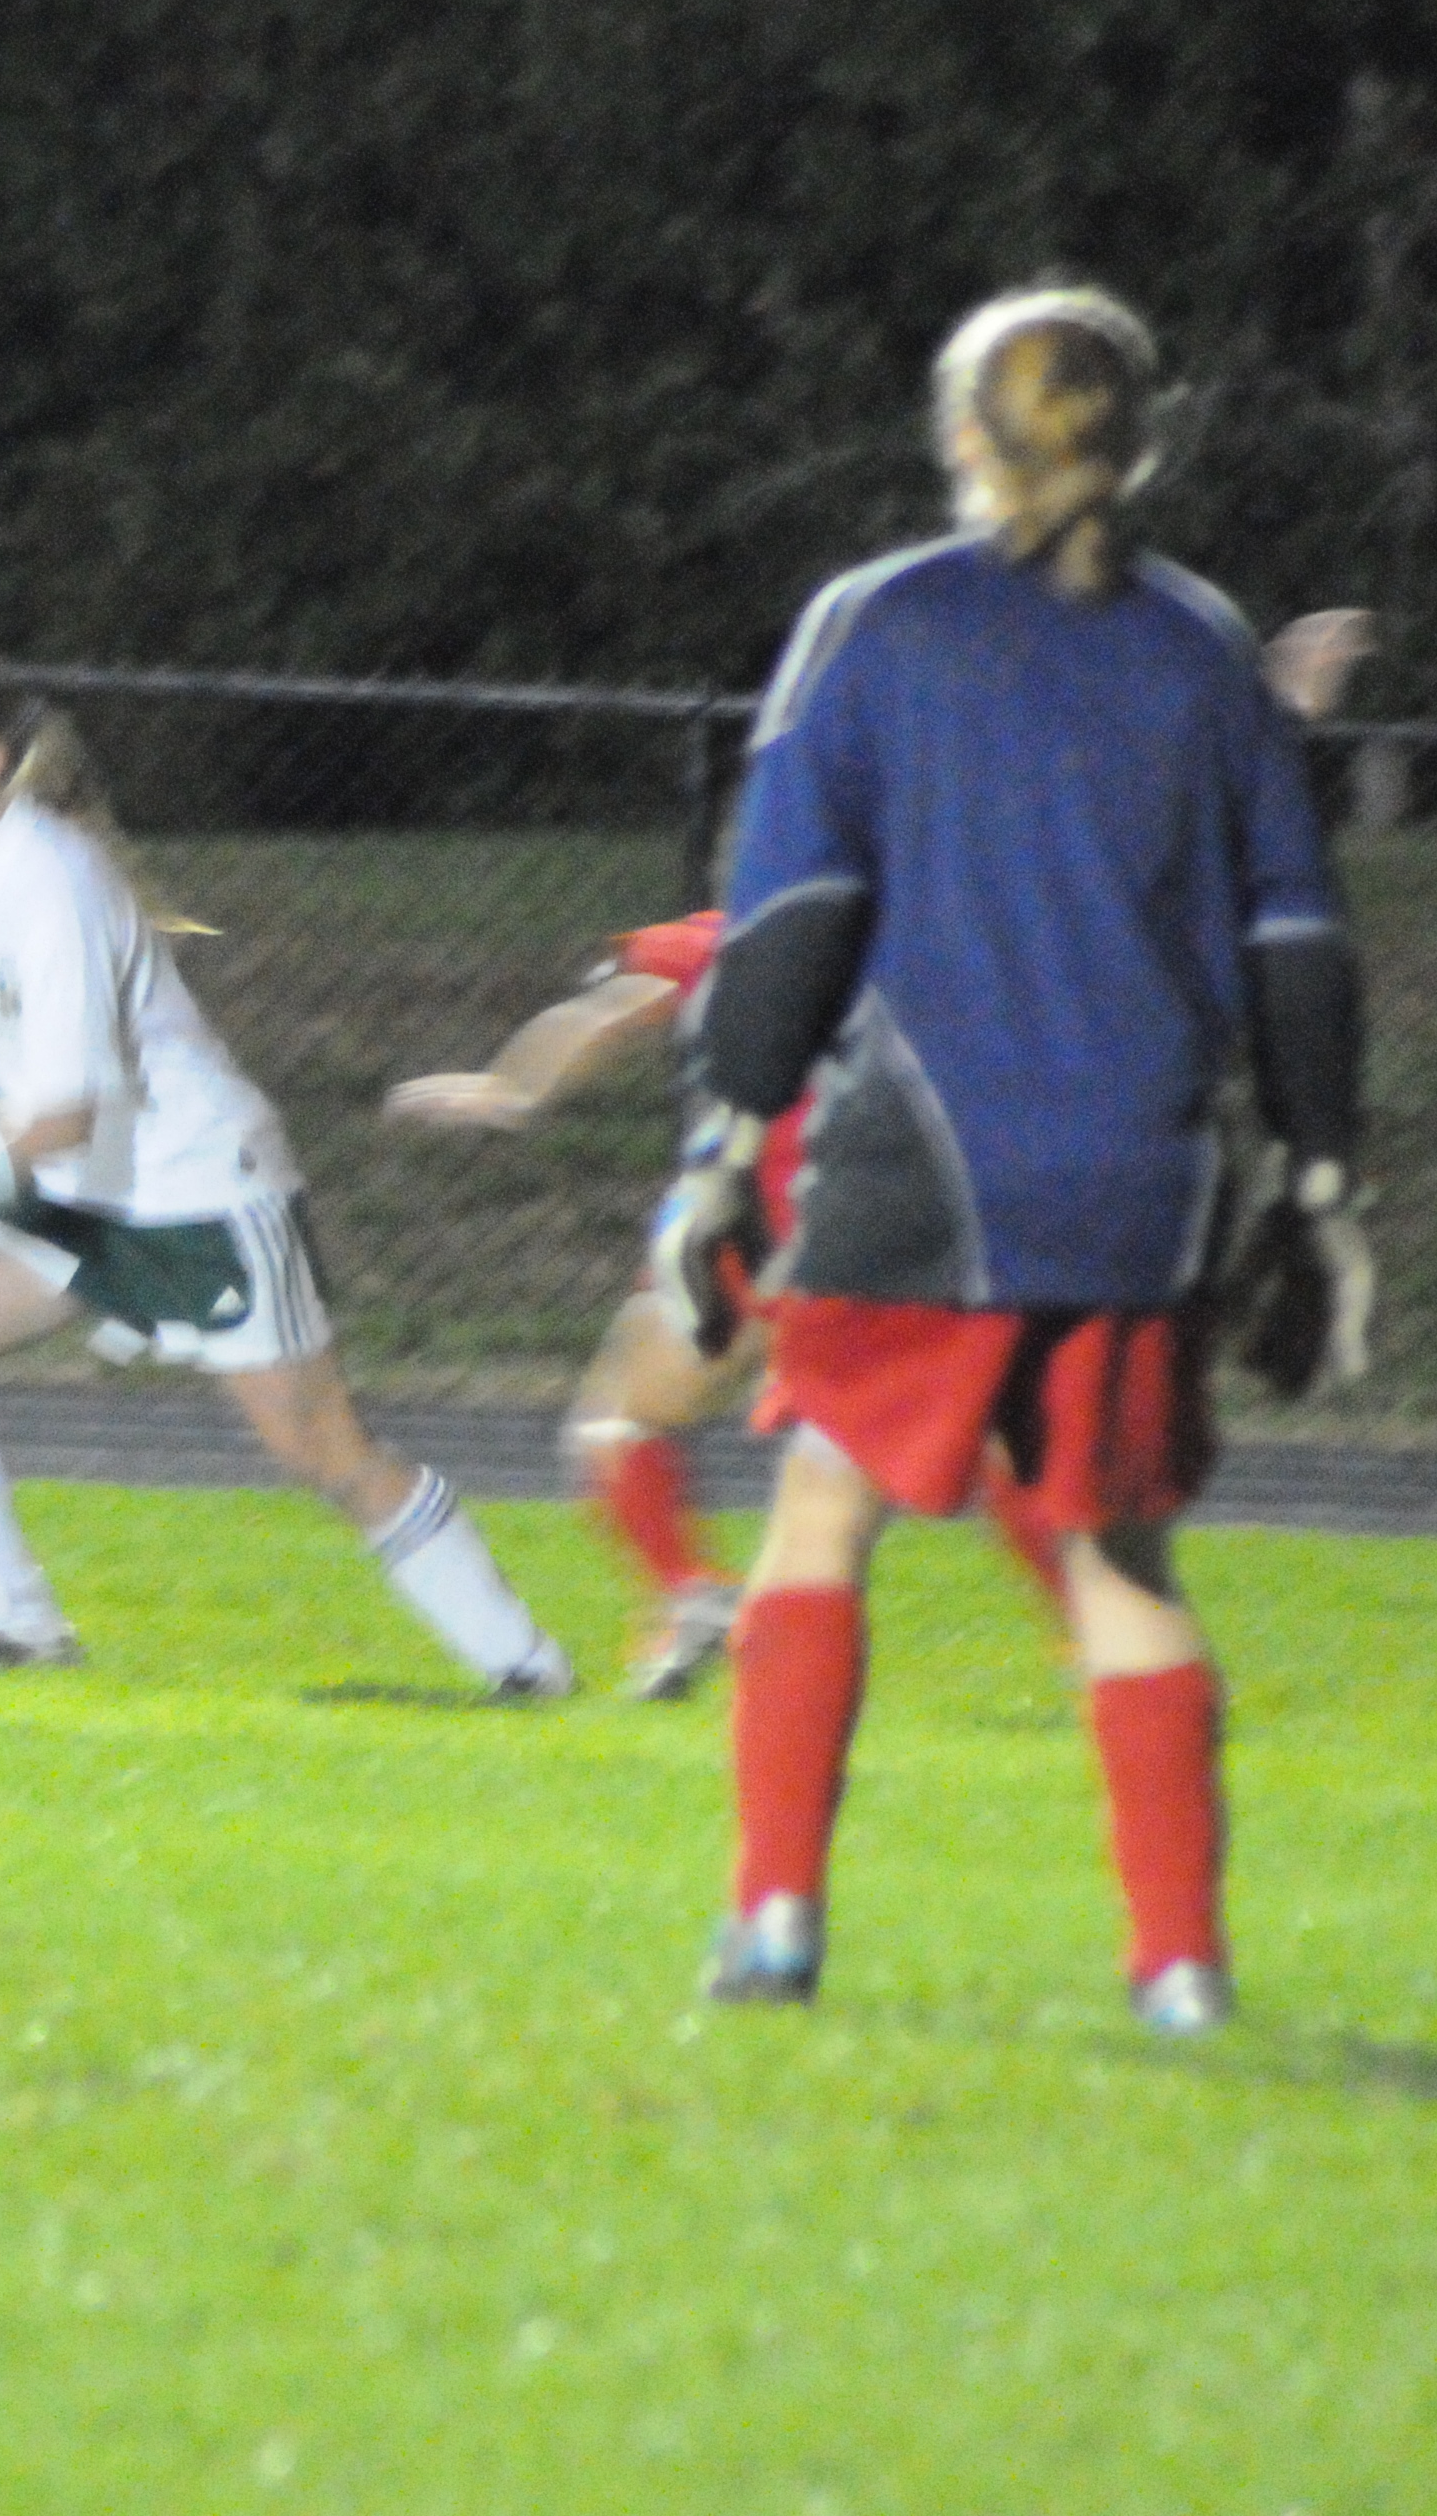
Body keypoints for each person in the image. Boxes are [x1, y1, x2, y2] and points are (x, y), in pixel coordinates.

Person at [647, 285, 1369, 2035]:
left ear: (963, 436)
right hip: (1139, 1180)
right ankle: (1179, 1967)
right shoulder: (1204, 646)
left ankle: (773, 1924)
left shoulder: (875, 624)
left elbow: (793, 919)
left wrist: (722, 1149)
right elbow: (1294, 937)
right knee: (1117, 1561)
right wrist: (1321, 1181)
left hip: (923, 1162)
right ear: (1144, 437)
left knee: (822, 1508)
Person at [384, 609, 1374, 1702]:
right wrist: (1277, 710)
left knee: (624, 1417)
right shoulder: (955, 929)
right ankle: (1091, 1633)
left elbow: (605, 1012)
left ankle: (690, 1596)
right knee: (991, 1442)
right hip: (913, 1224)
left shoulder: (735, 933)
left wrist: (510, 1088)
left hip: (757, 1228)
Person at [0, 649, 577, 1694]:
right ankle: (24, 1638)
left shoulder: (45, 877)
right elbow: (2, 1012)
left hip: (196, 1186)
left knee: (323, 1452)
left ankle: (527, 1666)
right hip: (94, 1181)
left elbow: (62, 1115)